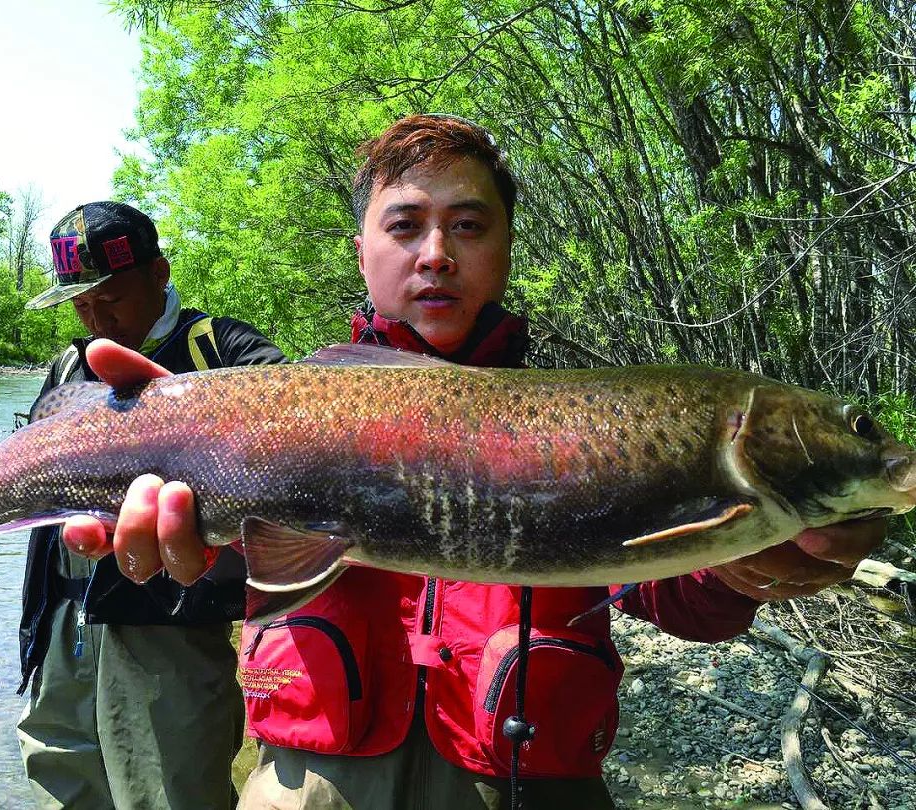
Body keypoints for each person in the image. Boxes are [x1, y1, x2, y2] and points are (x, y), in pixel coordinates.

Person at [63, 119, 886, 809]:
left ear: (505, 247)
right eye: (405, 225)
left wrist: (753, 571)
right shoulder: (276, 400)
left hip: (531, 780)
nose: (436, 254)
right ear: (362, 252)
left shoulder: (599, 418)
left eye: (468, 225)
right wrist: (176, 551)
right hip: (309, 781)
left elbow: (678, 601)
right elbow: (226, 574)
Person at [17, 200, 286, 810]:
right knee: (59, 770)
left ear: (159, 274)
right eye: (79, 303)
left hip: (170, 628)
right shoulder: (68, 363)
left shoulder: (222, 347)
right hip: (62, 623)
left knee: (170, 790)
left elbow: (291, 436)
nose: (92, 316)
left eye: (107, 297)